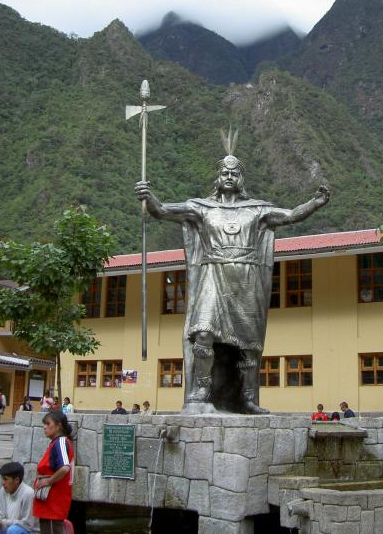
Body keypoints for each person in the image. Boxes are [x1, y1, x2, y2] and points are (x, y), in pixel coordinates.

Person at [135, 129, 330, 414]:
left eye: (234, 172)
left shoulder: (257, 210)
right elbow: (163, 210)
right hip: (213, 275)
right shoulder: (201, 208)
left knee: (248, 344)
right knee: (203, 334)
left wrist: (315, 203)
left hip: (246, 279)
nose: (229, 176)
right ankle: (201, 392)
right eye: (224, 172)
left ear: (240, 178)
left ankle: (248, 399)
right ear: (218, 177)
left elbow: (289, 216)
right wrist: (148, 196)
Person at [32, 411, 74, 534]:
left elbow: (65, 467)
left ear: (58, 425)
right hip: (48, 500)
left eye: (48, 423)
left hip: (54, 498)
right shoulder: (55, 443)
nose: (44, 427)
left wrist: (47, 481)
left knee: (52, 529)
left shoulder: (61, 442)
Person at [0, 461, 39, 533]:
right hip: (8, 526)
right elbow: (1, 514)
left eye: (5, 479)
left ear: (16, 480)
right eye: (2, 478)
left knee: (13, 530)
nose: (2, 482)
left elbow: (28, 525)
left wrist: (3, 522)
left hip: (27, 531)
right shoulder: (3, 490)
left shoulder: (28, 493)